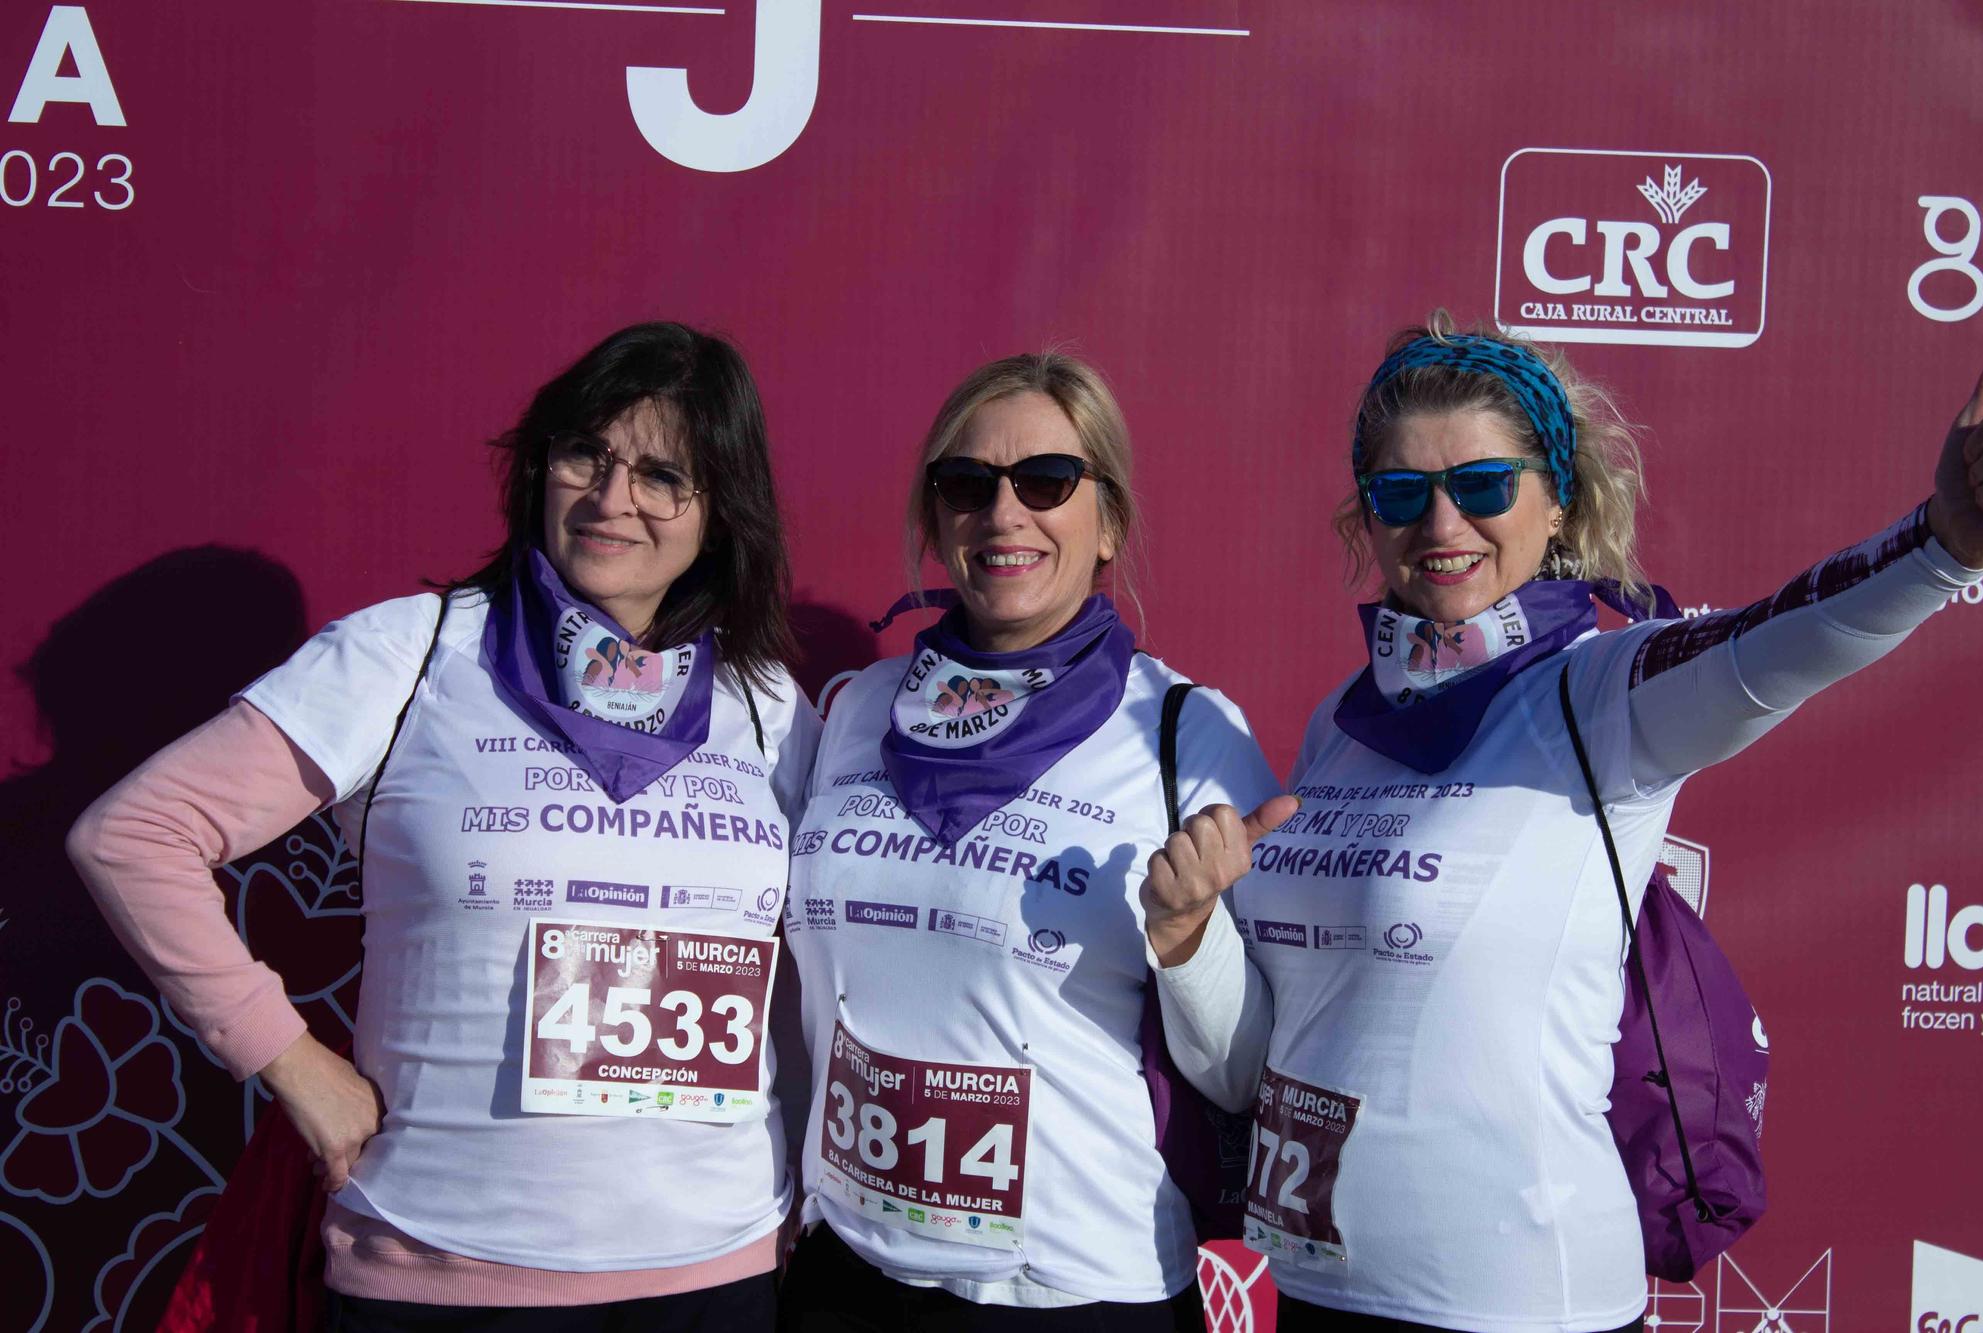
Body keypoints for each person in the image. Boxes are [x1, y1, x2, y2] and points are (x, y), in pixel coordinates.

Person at [1151, 316, 1983, 1331]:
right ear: (1365, 523)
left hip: (1512, 1303)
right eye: (1398, 492)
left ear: (1555, 501)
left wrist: (1939, 545)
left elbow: (1773, 643)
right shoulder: (1344, 718)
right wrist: (1187, 938)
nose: (1440, 521)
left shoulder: (1597, 695)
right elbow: (1259, 1065)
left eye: (1481, 485)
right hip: (1317, 1288)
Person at [68, 322, 820, 1331]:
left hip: (714, 1269)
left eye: (661, 475)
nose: (611, 499)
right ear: (537, 467)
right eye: (584, 455)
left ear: (720, 511)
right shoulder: (408, 651)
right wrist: (288, 1058)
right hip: (442, 1262)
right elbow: (135, 836)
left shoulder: (767, 703)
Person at [775, 352, 1295, 1331]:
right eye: (967, 484)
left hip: (1071, 1292)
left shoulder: (1185, 733)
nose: (1003, 513)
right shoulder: (855, 711)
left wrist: (1186, 938)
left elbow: (1247, 1074)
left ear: (1109, 523)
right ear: (935, 519)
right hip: (849, 1276)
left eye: (1046, 482)